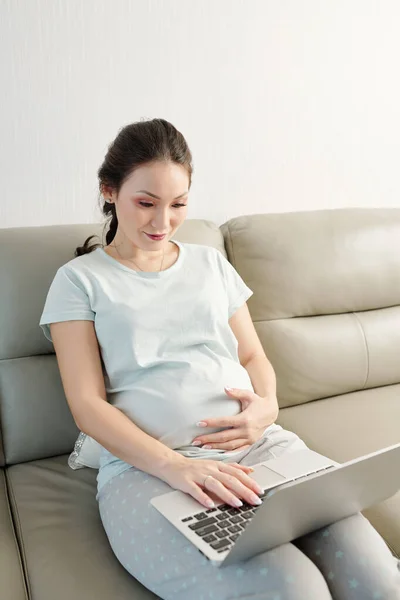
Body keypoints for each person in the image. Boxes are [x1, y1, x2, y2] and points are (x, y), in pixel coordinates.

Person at [39, 118, 400, 600]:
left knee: (374, 577)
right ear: (109, 191)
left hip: (261, 448)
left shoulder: (210, 264)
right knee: (293, 588)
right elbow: (87, 405)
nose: (162, 223)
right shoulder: (79, 280)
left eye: (178, 205)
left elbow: (252, 354)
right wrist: (175, 467)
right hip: (148, 470)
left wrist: (266, 409)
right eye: (145, 203)